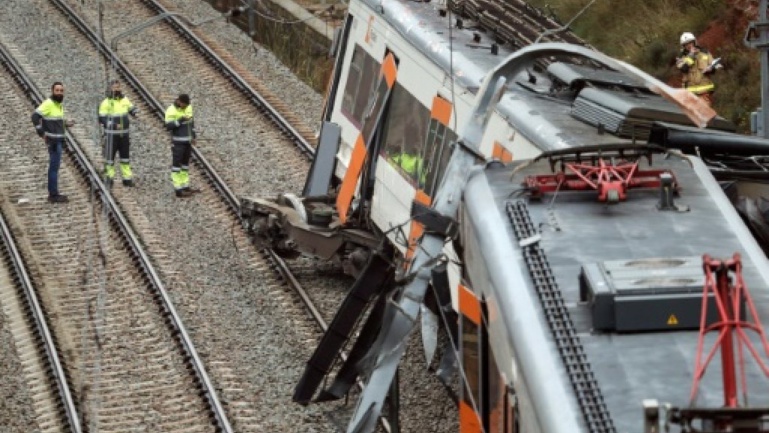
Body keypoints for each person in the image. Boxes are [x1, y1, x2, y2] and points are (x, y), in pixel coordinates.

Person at [31, 82, 73, 203]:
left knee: (55, 167)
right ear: (52, 91)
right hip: (53, 141)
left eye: (61, 90)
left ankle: (53, 193)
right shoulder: (49, 103)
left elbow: (54, 121)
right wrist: (41, 133)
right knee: (53, 167)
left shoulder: (58, 105)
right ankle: (53, 195)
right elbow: (34, 116)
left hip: (58, 140)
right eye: (57, 90)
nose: (59, 92)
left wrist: (66, 123)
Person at [98, 80, 138, 187]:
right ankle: (109, 178)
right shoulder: (106, 102)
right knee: (109, 158)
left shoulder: (124, 99)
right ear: (110, 89)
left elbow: (130, 107)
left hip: (124, 135)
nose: (117, 89)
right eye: (115, 87)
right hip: (111, 135)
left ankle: (127, 178)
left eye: (118, 87)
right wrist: (113, 125)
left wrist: (134, 112)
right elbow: (102, 118)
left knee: (125, 158)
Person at [676, 32, 721, 106]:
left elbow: (714, 66)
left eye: (690, 42)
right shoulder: (681, 57)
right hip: (689, 93)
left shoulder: (705, 53)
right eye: (686, 44)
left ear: (694, 42)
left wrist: (711, 69)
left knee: (704, 113)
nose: (689, 45)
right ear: (683, 46)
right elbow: (684, 68)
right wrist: (691, 56)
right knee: (690, 115)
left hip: (704, 91)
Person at [164, 94, 197, 197]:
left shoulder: (188, 107)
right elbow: (168, 126)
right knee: (176, 166)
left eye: (187, 105)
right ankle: (178, 189)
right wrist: (180, 120)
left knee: (185, 165)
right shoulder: (171, 110)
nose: (186, 107)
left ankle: (185, 186)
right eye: (184, 105)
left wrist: (193, 135)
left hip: (187, 142)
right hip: (178, 143)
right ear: (179, 101)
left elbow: (192, 123)